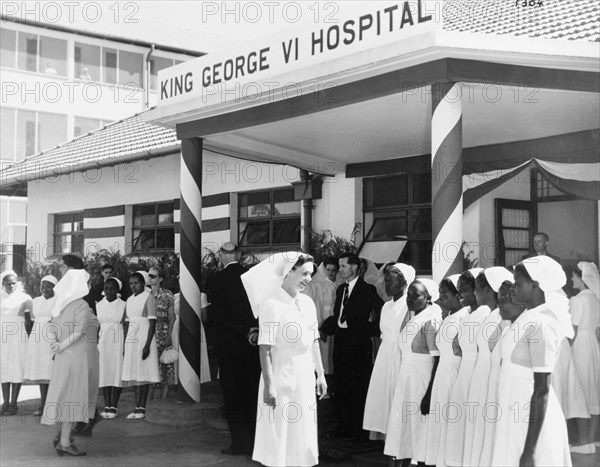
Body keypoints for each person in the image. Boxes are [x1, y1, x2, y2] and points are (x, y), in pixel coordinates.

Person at [242, 252, 327, 467]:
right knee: (280, 430)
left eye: (311, 274)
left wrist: (321, 374)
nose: (308, 279)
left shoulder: (307, 303)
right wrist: (269, 385)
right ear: (288, 273)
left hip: (305, 374)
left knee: (303, 430)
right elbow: (265, 349)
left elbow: (314, 341)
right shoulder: (272, 304)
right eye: (304, 273)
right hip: (281, 375)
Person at [490, 258, 571, 466]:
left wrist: (530, 450)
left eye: (518, 284)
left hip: (531, 423)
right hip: (513, 414)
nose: (513, 289)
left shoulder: (543, 323)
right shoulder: (526, 316)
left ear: (535, 285)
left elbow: (542, 389)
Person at [322, 253, 383, 440]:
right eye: (339, 266)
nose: (339, 270)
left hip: (358, 344)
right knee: (340, 385)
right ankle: (342, 426)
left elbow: (380, 312)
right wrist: (325, 327)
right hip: (341, 342)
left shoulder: (367, 290)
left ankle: (358, 429)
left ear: (354, 268)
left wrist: (367, 330)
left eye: (343, 266)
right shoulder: (341, 289)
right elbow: (337, 314)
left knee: (358, 385)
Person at [208, 242, 261, 455]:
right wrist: (253, 330)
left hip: (230, 346)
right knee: (252, 393)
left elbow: (218, 316)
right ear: (239, 254)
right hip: (253, 343)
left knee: (232, 395)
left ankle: (239, 442)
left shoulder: (217, 280)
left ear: (222, 255)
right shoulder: (252, 276)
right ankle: (257, 441)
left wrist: (239, 331)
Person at [41, 269, 99, 457]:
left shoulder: (60, 304)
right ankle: (64, 442)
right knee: (74, 398)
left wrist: (56, 345)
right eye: (88, 283)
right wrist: (60, 345)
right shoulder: (81, 305)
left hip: (66, 357)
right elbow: (79, 331)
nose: (90, 286)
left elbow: (50, 327)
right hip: (78, 358)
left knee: (66, 397)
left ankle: (63, 437)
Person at [384, 279, 442, 466]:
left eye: (415, 295)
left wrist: (429, 394)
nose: (409, 298)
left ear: (428, 298)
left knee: (420, 432)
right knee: (405, 430)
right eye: (408, 294)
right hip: (406, 380)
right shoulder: (411, 319)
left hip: (421, 382)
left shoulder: (430, 322)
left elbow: (437, 359)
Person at [462, 267, 513, 466]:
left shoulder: (503, 317)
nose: (474, 293)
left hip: (493, 377)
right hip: (481, 376)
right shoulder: (489, 315)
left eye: (477, 288)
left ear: (487, 290)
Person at [363, 263, 415, 439]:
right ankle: (386, 436)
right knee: (383, 396)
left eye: (390, 281)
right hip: (384, 355)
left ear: (403, 283)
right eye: (385, 281)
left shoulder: (410, 307)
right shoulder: (386, 306)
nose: (387, 285)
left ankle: (398, 438)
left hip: (399, 355)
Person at [423, 274, 468, 467]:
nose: (440, 299)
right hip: (443, 374)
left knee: (452, 424)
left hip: (455, 374)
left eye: (445, 295)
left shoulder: (464, 318)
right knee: (440, 422)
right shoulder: (448, 317)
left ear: (458, 296)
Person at [479, 279, 523, 466]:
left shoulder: (524, 326)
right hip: (498, 384)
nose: (500, 302)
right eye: (500, 297)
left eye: (506, 297)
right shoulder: (504, 323)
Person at [444, 267, 483, 466]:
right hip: (463, 373)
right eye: (458, 289)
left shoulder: (485, 315)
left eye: (465, 290)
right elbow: (456, 347)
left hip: (478, 373)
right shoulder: (465, 314)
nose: (460, 294)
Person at [569, 262, 600, 454]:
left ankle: (583, 442)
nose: (572, 279)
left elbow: (572, 331)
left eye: (573, 276)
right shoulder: (596, 299)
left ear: (581, 278)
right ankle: (593, 439)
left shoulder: (578, 299)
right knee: (593, 391)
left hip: (580, 345)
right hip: (593, 346)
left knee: (581, 390)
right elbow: (597, 331)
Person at [121, 271, 160, 420]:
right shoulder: (129, 300)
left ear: (143, 283)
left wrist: (147, 345)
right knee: (135, 372)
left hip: (144, 336)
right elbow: (127, 323)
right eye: (131, 283)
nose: (133, 286)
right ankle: (136, 407)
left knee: (143, 372)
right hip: (132, 338)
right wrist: (126, 344)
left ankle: (142, 408)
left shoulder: (148, 298)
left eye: (136, 283)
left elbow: (152, 323)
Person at [302, 257, 340, 383]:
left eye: (333, 270)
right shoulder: (319, 286)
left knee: (334, 355)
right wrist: (320, 326)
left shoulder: (339, 285)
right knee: (323, 356)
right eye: (328, 270)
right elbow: (318, 305)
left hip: (336, 322)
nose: (330, 273)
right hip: (324, 322)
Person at [24, 275, 58, 416]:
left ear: (55, 288)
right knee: (42, 374)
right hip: (38, 340)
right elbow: (31, 322)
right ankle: (43, 405)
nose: (44, 289)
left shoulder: (58, 302)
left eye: (48, 286)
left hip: (51, 339)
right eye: (42, 286)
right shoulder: (35, 301)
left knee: (52, 373)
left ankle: (52, 406)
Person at [0, 270, 32, 416]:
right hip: (3, 337)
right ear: (2, 284)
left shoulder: (24, 298)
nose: (11, 286)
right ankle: (5, 402)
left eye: (14, 283)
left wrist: (31, 338)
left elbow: (29, 320)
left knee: (17, 368)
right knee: (4, 369)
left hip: (18, 337)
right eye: (8, 284)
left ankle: (14, 403)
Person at [97, 277, 126, 419]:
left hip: (117, 340)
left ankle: (114, 405)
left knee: (116, 371)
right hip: (103, 340)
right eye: (106, 288)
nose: (109, 291)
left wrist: (126, 344)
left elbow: (127, 326)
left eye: (112, 288)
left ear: (117, 289)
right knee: (104, 371)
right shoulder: (99, 305)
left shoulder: (123, 305)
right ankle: (107, 404)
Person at [147, 266, 176, 399]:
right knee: (149, 364)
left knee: (165, 364)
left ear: (160, 278)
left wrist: (169, 336)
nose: (150, 278)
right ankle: (149, 398)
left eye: (153, 276)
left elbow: (171, 318)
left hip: (162, 332)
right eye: (149, 275)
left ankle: (163, 398)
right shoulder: (145, 294)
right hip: (148, 333)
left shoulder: (167, 294)